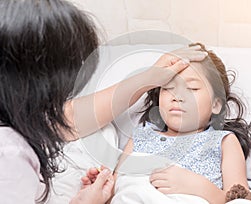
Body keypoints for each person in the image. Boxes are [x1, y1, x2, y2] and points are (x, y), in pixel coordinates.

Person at [0, 0, 207, 203]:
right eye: (71, 73)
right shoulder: (10, 154)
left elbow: (69, 118)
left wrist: (147, 79)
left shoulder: (16, 130)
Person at [83, 43, 251, 204]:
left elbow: (239, 199)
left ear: (216, 104)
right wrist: (100, 189)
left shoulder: (223, 141)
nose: (177, 96)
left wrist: (198, 186)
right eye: (168, 88)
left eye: (192, 88)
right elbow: (118, 192)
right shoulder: (141, 137)